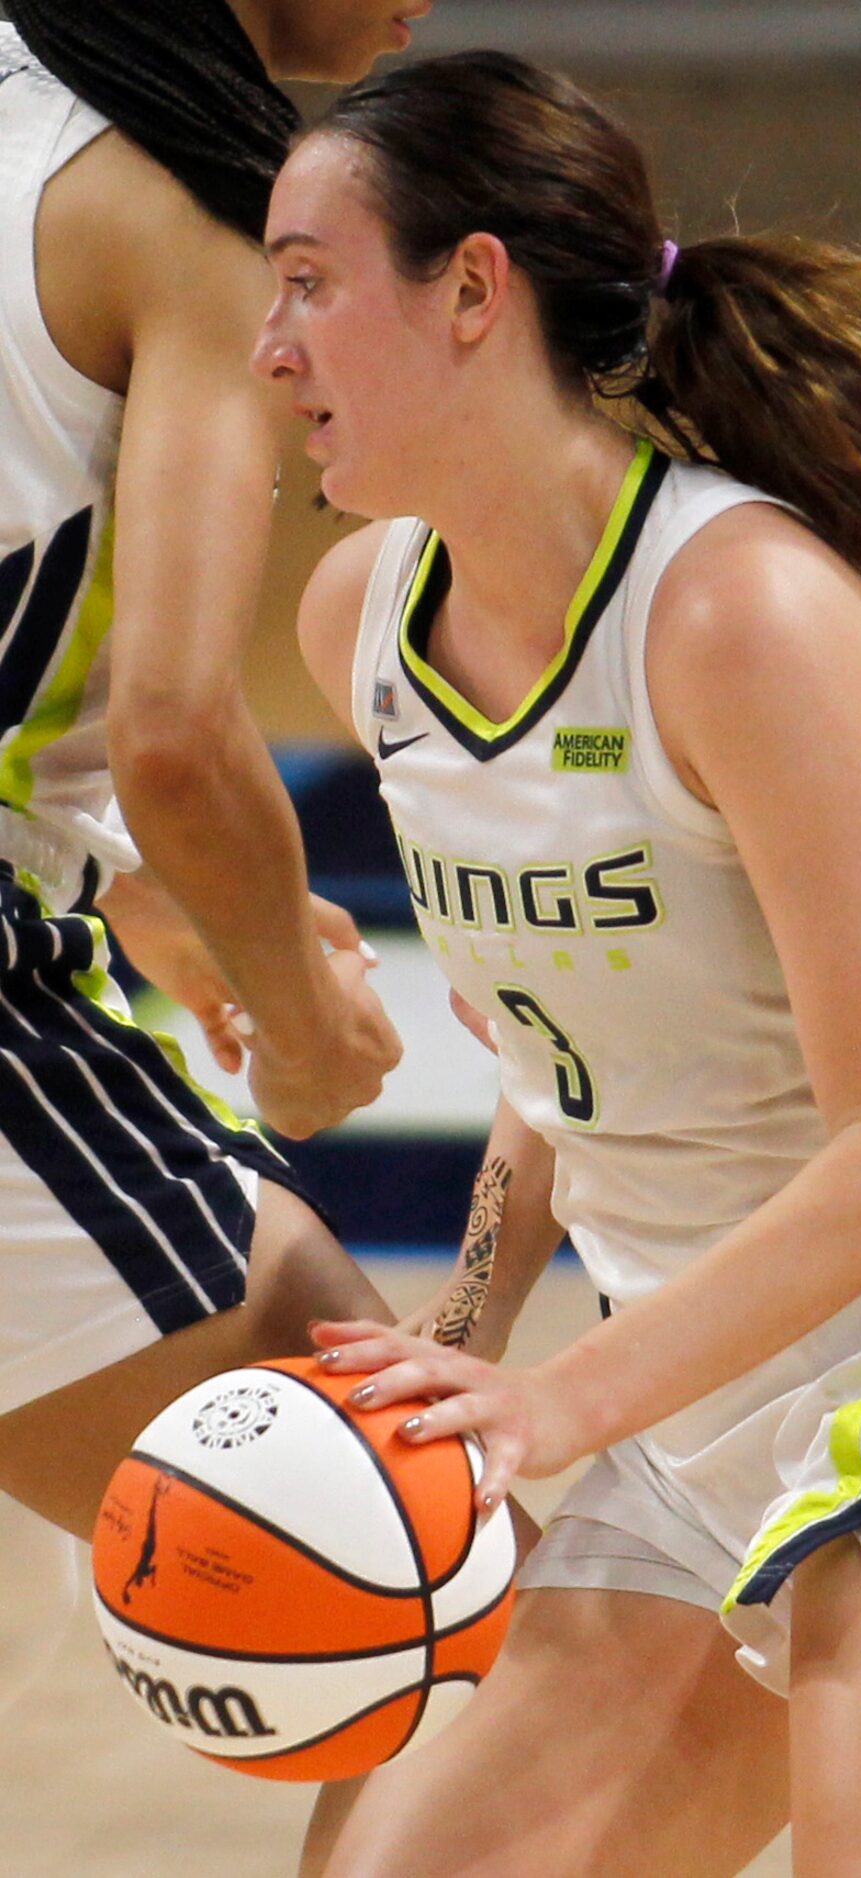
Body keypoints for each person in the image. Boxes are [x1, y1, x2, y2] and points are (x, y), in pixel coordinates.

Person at [255, 49, 861, 1877]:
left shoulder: (739, 612)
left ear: (471, 292)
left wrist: (555, 1403)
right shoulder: (363, 619)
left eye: (308, 279)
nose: (270, 343)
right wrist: (462, 1347)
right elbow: (550, 1062)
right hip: (697, 1375)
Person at [0, 0, 413, 1544]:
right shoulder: (172, 203)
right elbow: (180, 734)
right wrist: (300, 1035)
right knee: (399, 1545)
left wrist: (111, 872)